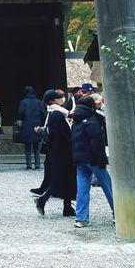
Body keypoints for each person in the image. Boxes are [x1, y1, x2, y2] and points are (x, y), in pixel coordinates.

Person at [72, 96, 114, 228]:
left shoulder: (76, 120)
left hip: (80, 158)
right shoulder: (92, 119)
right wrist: (102, 159)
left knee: (82, 188)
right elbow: (96, 142)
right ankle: (118, 213)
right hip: (93, 158)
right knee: (108, 185)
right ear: (91, 106)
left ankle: (81, 218)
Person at [34, 89, 76, 217]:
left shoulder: (54, 113)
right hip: (62, 151)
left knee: (65, 178)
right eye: (59, 97)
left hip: (58, 150)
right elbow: (61, 135)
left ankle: (67, 206)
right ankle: (43, 199)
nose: (62, 98)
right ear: (53, 100)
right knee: (61, 178)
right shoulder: (57, 115)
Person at [17, 86, 46, 170]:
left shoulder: (23, 102)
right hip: (37, 125)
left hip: (27, 125)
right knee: (36, 147)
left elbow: (20, 112)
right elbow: (43, 112)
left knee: (27, 147)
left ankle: (29, 165)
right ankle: (37, 165)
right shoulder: (39, 102)